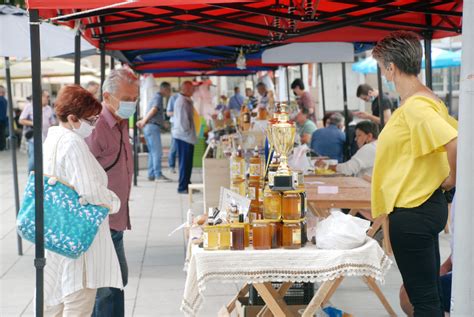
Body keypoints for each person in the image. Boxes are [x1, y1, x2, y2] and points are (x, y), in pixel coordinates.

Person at [371, 31, 457, 316]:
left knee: (423, 301)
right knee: (426, 296)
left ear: (391, 67)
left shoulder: (417, 108)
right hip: (422, 207)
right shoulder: (425, 101)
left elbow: (454, 140)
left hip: (414, 209)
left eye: (383, 68)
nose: (384, 75)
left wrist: (452, 179)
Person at [42, 85, 122, 317]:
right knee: (78, 302)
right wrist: (114, 201)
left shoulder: (52, 139)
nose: (94, 125)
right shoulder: (72, 143)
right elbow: (91, 191)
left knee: (56, 301)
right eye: (91, 119)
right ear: (72, 118)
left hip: (58, 232)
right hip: (79, 239)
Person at [85, 69, 139, 317]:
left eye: (135, 98)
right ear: (107, 96)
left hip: (115, 221)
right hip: (99, 223)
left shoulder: (121, 122)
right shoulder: (96, 128)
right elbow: (83, 177)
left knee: (118, 281)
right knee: (106, 289)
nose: (133, 103)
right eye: (128, 98)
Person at [137, 81, 172, 182]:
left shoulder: (155, 96)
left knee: (152, 152)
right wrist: (144, 120)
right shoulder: (158, 97)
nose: (169, 93)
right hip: (152, 127)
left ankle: (151, 174)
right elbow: (154, 109)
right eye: (169, 90)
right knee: (157, 152)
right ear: (164, 89)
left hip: (149, 127)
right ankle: (158, 175)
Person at [19, 90, 56, 172]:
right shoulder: (29, 106)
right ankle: (31, 181)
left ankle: (41, 180)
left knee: (45, 161)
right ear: (41, 97)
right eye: (47, 97)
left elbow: (53, 122)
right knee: (33, 161)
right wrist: (33, 123)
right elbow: (21, 120)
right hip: (33, 139)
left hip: (46, 139)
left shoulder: (49, 108)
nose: (48, 99)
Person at [172, 81, 197, 194]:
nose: (193, 91)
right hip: (184, 137)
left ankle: (187, 185)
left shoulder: (185, 100)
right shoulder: (182, 102)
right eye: (192, 89)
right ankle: (182, 187)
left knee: (187, 163)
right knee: (184, 163)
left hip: (186, 136)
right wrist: (188, 131)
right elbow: (183, 123)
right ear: (186, 89)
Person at [166, 91, 180, 174]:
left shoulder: (190, 98)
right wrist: (179, 112)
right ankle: (171, 166)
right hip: (175, 125)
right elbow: (168, 113)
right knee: (174, 146)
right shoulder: (173, 98)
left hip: (185, 125)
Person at [0, 85, 7, 151]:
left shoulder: (1, 99)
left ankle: (1, 147)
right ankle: (2, 146)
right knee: (2, 133)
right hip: (4, 120)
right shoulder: (5, 100)